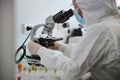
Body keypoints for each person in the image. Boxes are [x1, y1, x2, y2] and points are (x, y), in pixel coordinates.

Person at [27, 0, 120, 80]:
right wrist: (61, 47)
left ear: (87, 6)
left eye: (76, 7)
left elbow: (70, 72)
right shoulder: (113, 23)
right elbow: (89, 53)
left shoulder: (100, 30)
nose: (75, 12)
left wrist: (40, 51)